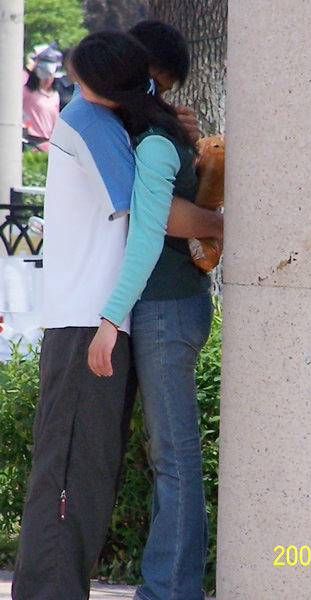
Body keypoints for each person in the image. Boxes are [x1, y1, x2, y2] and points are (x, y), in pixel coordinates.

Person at [12, 30, 223, 600]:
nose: (74, 88)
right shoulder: (95, 122)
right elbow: (153, 217)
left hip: (95, 320)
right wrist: (220, 224)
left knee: (77, 474)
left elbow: (147, 214)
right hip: (91, 321)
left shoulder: (107, 123)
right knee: (71, 475)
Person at [86, 23, 215, 600]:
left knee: (174, 458)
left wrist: (110, 319)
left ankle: (170, 590)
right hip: (168, 307)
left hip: (165, 309)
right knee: (169, 457)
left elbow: (152, 228)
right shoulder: (155, 130)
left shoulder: (156, 139)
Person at [23, 44, 62, 150]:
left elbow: (55, 121)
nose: (47, 78)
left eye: (50, 75)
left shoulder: (55, 95)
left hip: (47, 143)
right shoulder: (27, 91)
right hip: (29, 141)